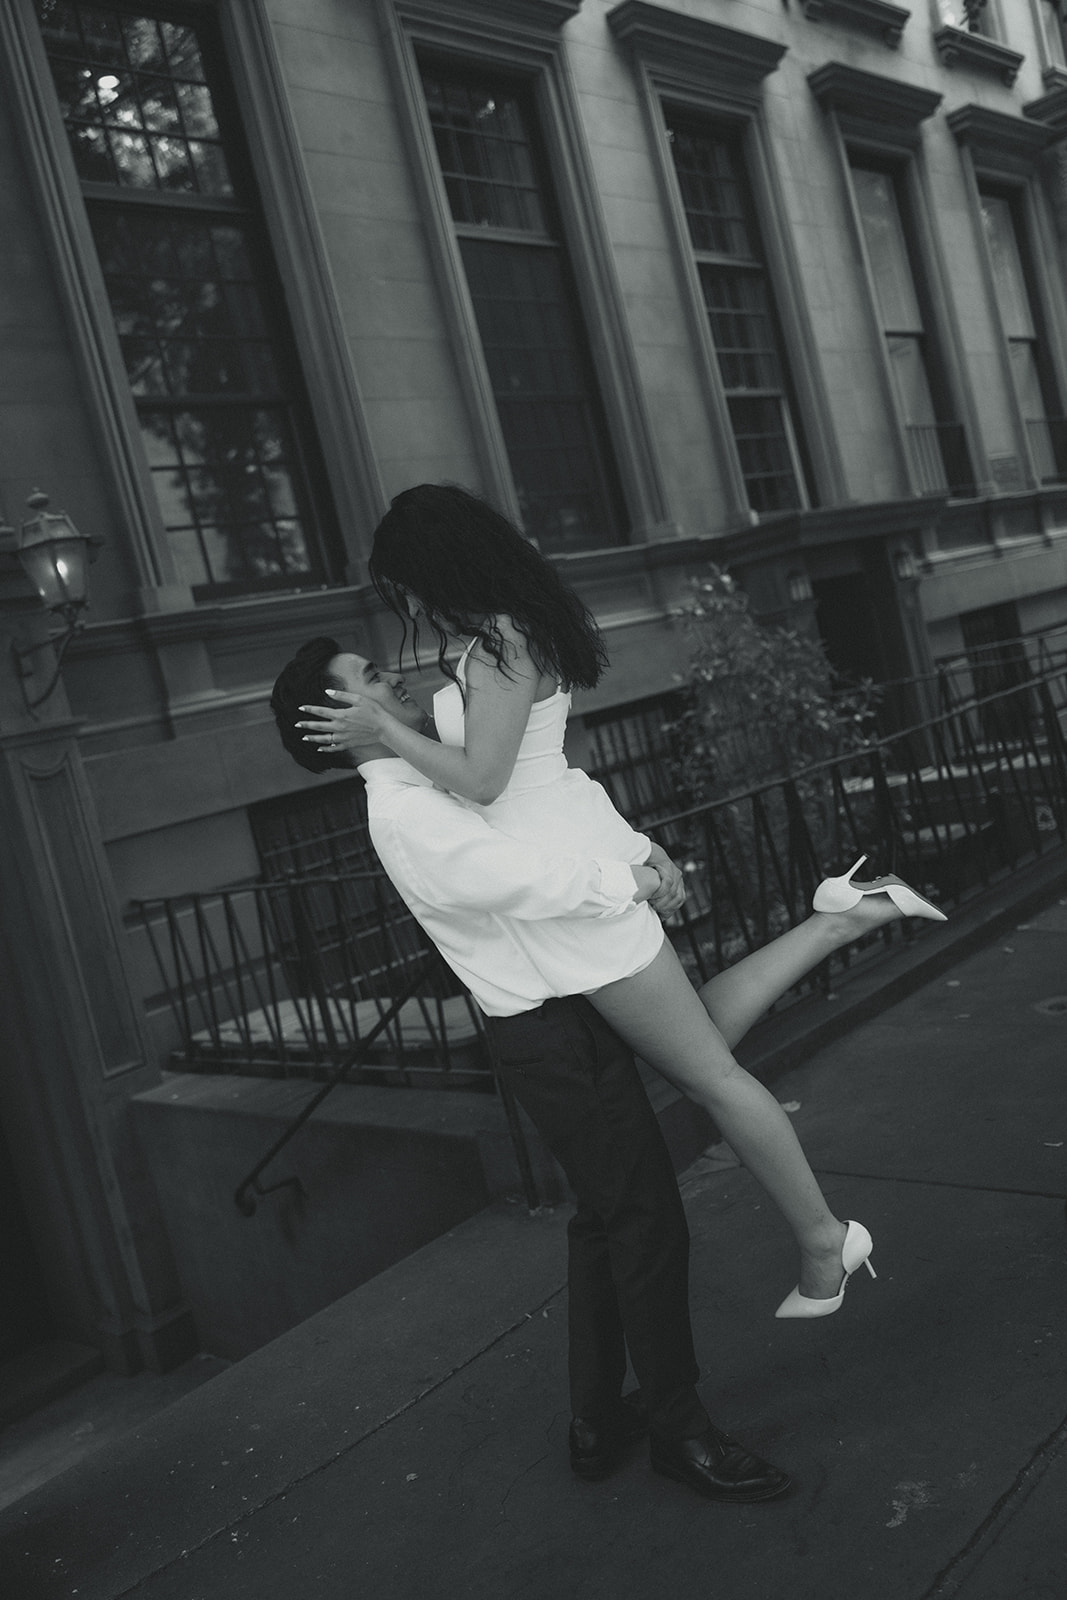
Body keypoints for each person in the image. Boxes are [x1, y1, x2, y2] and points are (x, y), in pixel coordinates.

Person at [296, 484, 945, 1321]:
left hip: (575, 893)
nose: (406, 604)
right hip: (571, 863)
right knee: (700, 1043)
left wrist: (385, 732)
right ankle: (843, 913)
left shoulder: (498, 640)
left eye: (404, 584)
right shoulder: (490, 637)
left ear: (436, 566)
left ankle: (825, 1241)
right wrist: (636, 845)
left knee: (710, 1073)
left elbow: (489, 783)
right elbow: (546, 777)